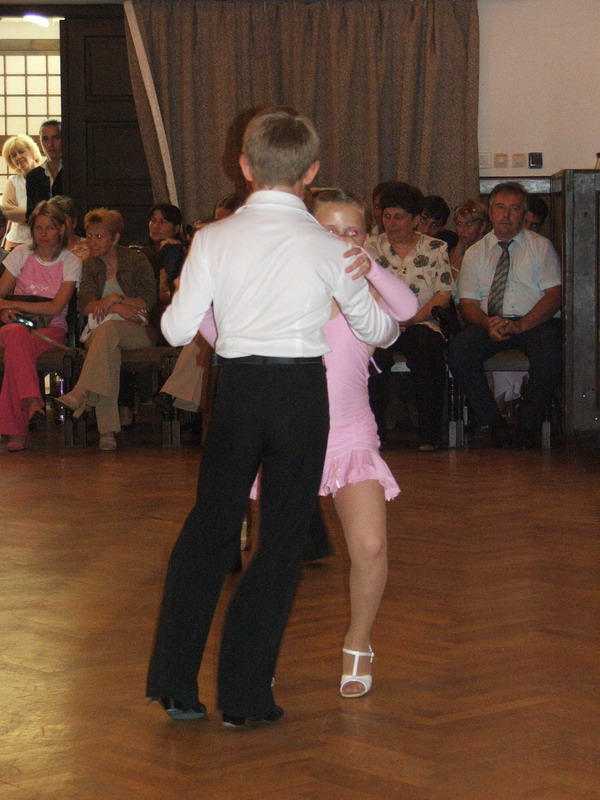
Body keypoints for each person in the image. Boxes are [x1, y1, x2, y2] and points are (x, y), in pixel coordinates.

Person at [145, 109, 399, 727]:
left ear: (245, 166)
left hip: (236, 391)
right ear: (311, 171)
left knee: (209, 530)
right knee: (280, 543)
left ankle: (176, 687)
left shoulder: (212, 238)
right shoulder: (328, 248)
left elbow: (174, 330)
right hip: (300, 395)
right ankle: (246, 698)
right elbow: (381, 330)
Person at [447, 182, 562, 449]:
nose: (506, 215)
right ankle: (493, 422)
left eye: (514, 209)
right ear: (490, 212)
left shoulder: (541, 247)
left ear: (523, 214)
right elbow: (467, 303)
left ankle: (527, 425)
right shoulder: (475, 253)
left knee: (552, 351)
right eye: (500, 207)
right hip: (490, 321)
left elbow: (554, 296)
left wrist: (521, 325)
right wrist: (486, 322)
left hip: (533, 321)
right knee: (458, 351)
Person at [55, 208, 157, 450]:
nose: (92, 241)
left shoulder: (136, 260)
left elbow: (148, 300)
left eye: (99, 236)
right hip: (101, 329)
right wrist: (116, 306)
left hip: (136, 329)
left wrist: (114, 299)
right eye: (89, 235)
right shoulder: (89, 265)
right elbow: (86, 306)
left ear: (116, 237)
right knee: (107, 344)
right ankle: (107, 433)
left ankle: (85, 395)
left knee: (107, 335)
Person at [367, 182, 454, 451]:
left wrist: (413, 318)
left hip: (421, 320)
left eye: (399, 217)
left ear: (416, 220)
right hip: (382, 322)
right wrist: (388, 318)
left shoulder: (435, 247)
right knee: (372, 356)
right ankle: (374, 434)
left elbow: (443, 292)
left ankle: (429, 435)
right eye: (387, 216)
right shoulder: (370, 247)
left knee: (428, 347)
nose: (391, 223)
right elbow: (362, 290)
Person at [0, 201, 81, 451]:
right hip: (14, 324)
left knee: (16, 347)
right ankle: (31, 401)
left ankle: (17, 429)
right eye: (38, 228)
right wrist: (5, 309)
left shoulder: (71, 261)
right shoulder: (21, 254)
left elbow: (56, 308)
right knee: (16, 333)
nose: (43, 234)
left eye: (49, 228)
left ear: (61, 229)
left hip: (51, 330)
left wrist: (15, 304)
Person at [1, 135, 44, 250]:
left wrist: (19, 213)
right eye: (13, 155)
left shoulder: (46, 176)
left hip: (43, 241)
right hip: (15, 242)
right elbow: (6, 211)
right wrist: (36, 215)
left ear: (32, 152)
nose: (18, 157)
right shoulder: (13, 181)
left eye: (21, 152)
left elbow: (50, 214)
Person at [25, 119, 63, 218]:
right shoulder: (33, 176)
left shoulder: (76, 172)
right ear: (41, 142)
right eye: (45, 139)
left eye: (56, 138)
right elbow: (31, 214)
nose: (50, 144)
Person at [449, 199, 490, 283]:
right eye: (459, 224)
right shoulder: (453, 251)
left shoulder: (488, 252)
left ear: (482, 226)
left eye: (469, 224)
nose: (462, 230)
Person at [47, 195, 89, 260]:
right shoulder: (41, 249)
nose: (58, 224)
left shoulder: (90, 248)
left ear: (74, 222)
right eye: (54, 220)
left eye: (62, 219)